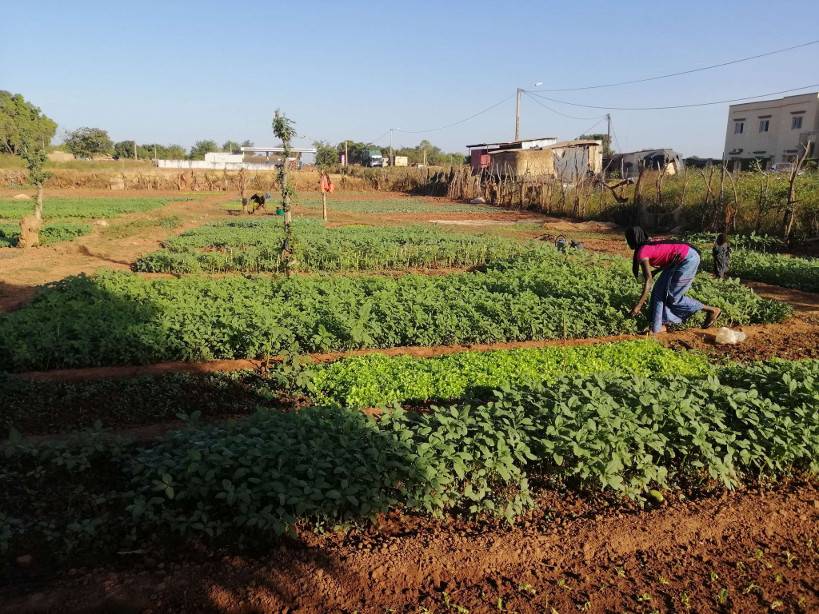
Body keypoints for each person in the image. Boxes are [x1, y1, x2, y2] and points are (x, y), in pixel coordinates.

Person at [625, 227, 721, 334]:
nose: (627, 242)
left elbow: (649, 282)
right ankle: (657, 327)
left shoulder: (643, 252)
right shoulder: (646, 244)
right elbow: (667, 257)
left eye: (628, 239)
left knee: (673, 297)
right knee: (658, 291)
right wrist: (654, 273)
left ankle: (712, 310)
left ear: (632, 239)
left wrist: (638, 306)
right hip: (677, 260)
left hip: (688, 259)